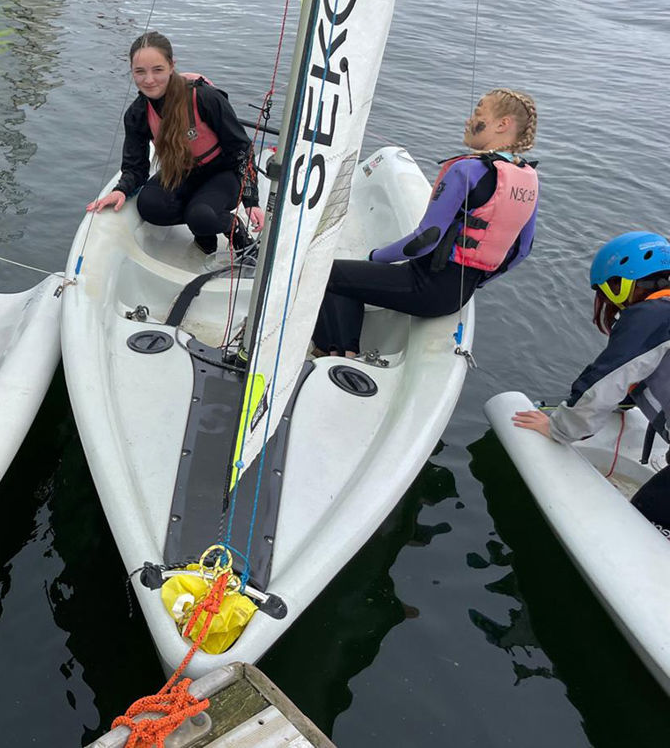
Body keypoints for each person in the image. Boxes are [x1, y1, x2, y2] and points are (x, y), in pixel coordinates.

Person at [311, 89, 539, 357]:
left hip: (424, 286)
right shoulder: (528, 178)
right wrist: (477, 280)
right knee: (353, 279)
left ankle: (337, 355)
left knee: (329, 275)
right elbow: (522, 251)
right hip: (457, 295)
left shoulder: (467, 170)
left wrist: (375, 257)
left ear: (504, 124)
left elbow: (424, 239)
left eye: (478, 113)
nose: (468, 121)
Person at [513, 232, 670, 538]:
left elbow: (605, 378)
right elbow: (641, 370)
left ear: (624, 284)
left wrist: (559, 427)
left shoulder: (652, 315)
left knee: (640, 528)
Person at [86, 31, 264, 254]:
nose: (149, 80)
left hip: (224, 173)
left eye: (157, 70)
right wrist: (121, 190)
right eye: (140, 72)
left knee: (199, 215)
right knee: (149, 206)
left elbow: (241, 150)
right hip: (182, 172)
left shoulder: (204, 98)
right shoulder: (138, 113)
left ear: (171, 66)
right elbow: (135, 168)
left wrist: (251, 200)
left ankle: (231, 225)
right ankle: (203, 222)